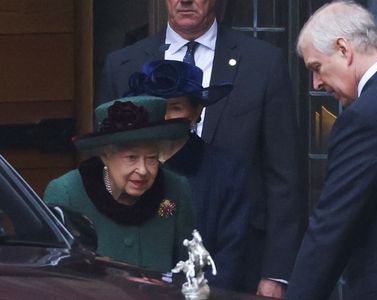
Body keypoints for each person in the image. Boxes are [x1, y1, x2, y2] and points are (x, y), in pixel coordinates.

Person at [98, 1, 306, 297]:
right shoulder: (122, 64)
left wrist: (277, 272)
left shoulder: (263, 63)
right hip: (142, 260)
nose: (185, 0)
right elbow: (104, 164)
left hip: (239, 257)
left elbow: (285, 175)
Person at [285, 1, 377, 300]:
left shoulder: (364, 117)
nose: (316, 82)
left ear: (343, 49)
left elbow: (331, 228)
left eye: (316, 67)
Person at [125, 59, 250, 290]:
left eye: (175, 108)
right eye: (157, 106)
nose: (164, 117)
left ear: (196, 112)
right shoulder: (124, 168)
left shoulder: (227, 170)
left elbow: (231, 255)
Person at [43, 96, 195, 273]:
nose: (143, 170)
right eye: (131, 157)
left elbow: (188, 270)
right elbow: (53, 277)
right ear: (105, 156)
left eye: (152, 158)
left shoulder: (175, 189)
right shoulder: (67, 194)